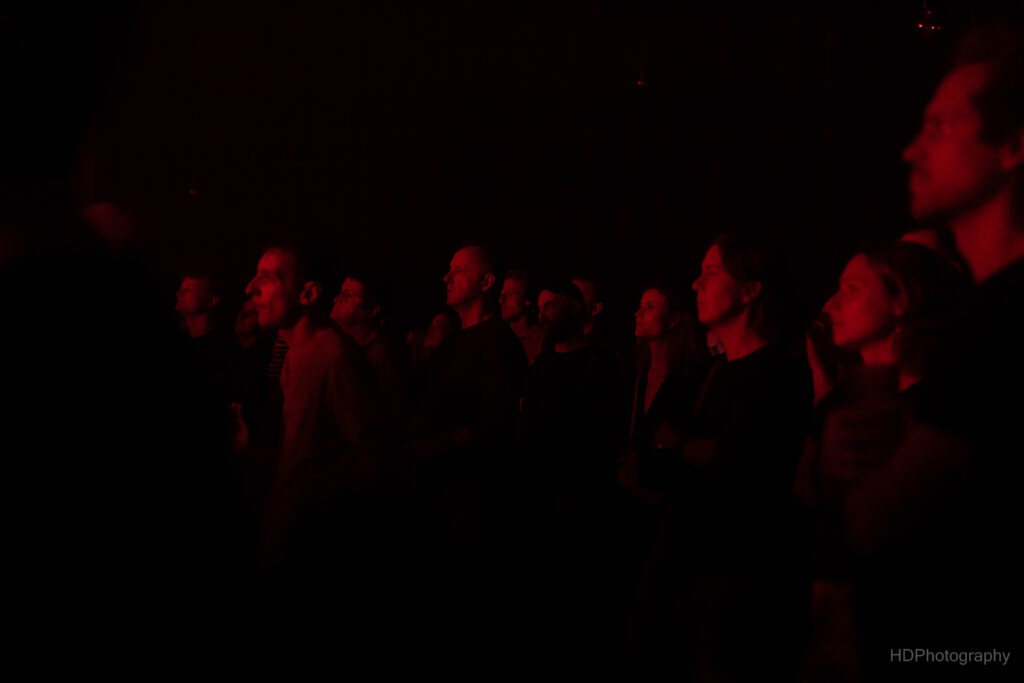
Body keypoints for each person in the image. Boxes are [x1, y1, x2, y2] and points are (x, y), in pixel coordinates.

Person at [820, 26, 1024, 676]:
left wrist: (847, 474)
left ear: (1014, 145)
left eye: (940, 128)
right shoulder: (988, 314)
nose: (910, 150)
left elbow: (877, 526)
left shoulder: (1000, 322)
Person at [646, 234, 812, 679]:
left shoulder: (781, 377)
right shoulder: (716, 373)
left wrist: (690, 453)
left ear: (750, 289)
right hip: (693, 582)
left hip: (742, 591)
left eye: (711, 272)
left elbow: (753, 475)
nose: (696, 284)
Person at [331, 271, 407, 424]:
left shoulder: (378, 356)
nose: (336, 299)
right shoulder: (344, 347)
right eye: (341, 293)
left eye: (348, 295)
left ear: (371, 310)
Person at [500, 268, 545, 365]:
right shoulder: (498, 338)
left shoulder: (542, 340)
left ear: (526, 299)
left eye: (509, 294)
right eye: (501, 294)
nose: (501, 300)